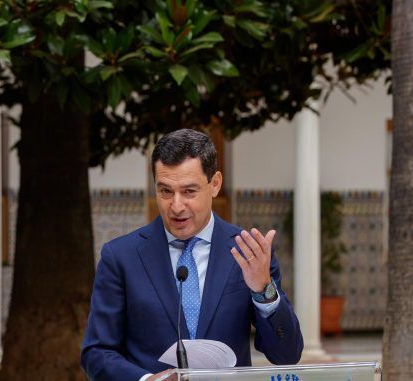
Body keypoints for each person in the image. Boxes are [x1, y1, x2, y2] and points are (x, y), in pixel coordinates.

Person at [81, 129, 303, 381]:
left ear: (215, 184)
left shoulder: (248, 252)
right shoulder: (120, 257)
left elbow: (287, 355)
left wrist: (263, 290)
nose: (176, 206)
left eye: (189, 191)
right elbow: (96, 353)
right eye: (165, 191)